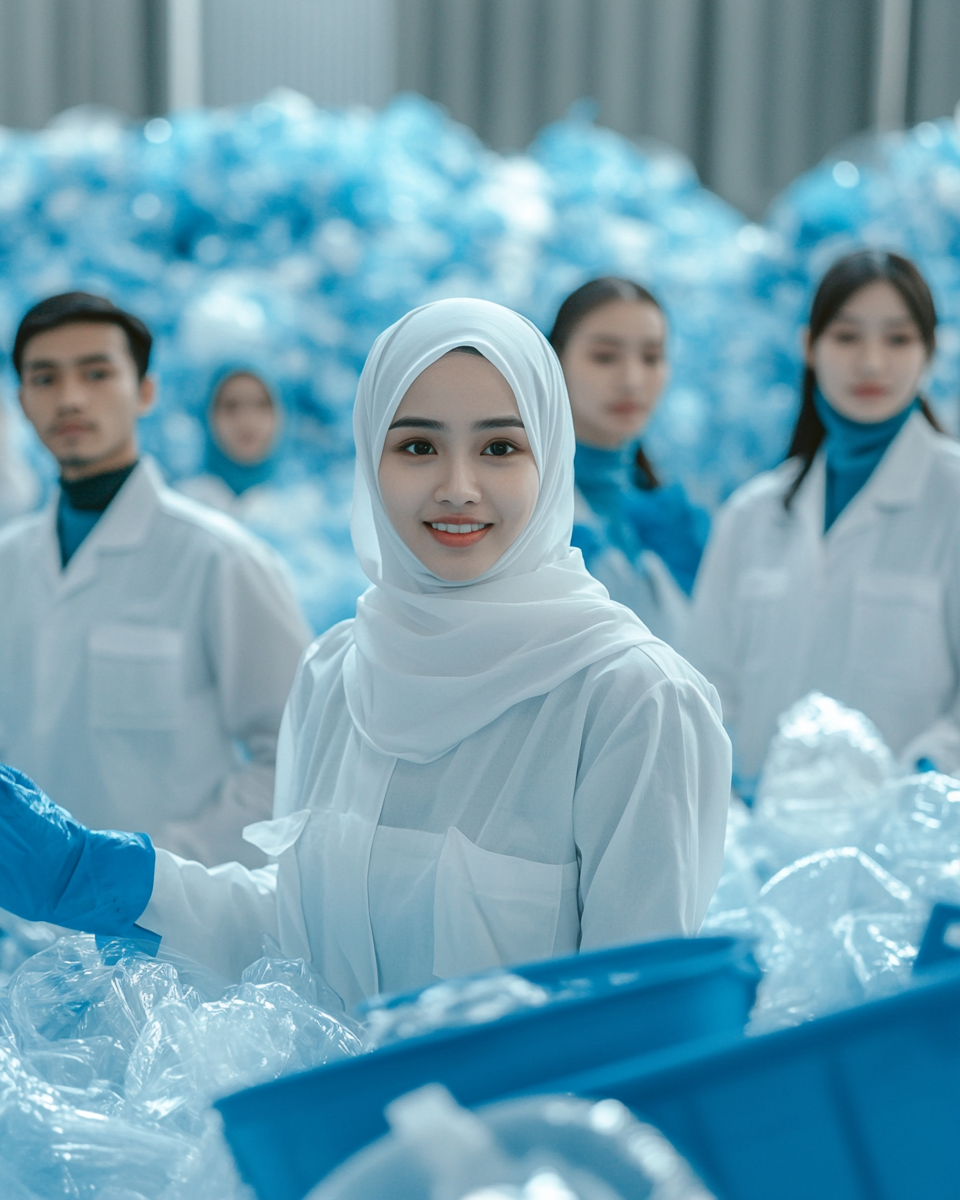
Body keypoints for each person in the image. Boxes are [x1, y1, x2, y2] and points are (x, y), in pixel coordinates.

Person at [0, 298, 731, 1004]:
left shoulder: (634, 702)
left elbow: (640, 1018)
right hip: (329, 1126)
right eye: (416, 446)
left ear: (552, 461)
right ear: (369, 461)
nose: (457, 487)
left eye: (500, 447)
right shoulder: (337, 674)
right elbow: (296, 944)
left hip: (517, 1133)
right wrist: (104, 875)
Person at [0, 292, 312, 867]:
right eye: (44, 378)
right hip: (15, 928)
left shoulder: (222, 559)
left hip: (162, 932)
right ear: (20, 400)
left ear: (146, 391)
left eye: (97, 373)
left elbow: (301, 757)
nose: (70, 398)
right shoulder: (8, 563)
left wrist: (159, 870)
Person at [686, 249, 960, 795]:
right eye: (847, 337)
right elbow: (704, 691)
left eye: (898, 340)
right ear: (809, 347)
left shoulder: (950, 497)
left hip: (913, 848)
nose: (872, 363)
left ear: (930, 353)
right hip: (758, 843)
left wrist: (916, 786)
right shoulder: (752, 515)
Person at [549, 277, 709, 643]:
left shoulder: (678, 523)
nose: (632, 380)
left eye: (651, 358)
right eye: (604, 357)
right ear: (554, 360)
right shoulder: (521, 511)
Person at [177, 364, 283, 516]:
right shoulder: (184, 504)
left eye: (262, 404)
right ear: (207, 414)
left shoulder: (303, 508)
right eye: (231, 406)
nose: (247, 421)